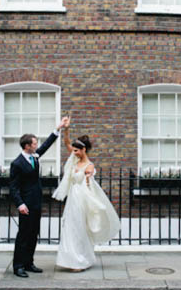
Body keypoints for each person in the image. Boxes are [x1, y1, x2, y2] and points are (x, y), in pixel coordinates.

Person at [52, 120, 120, 272]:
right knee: (70, 227)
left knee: (80, 229)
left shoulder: (89, 165)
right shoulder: (75, 158)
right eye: (74, 150)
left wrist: (89, 177)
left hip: (82, 198)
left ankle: (81, 261)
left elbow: (89, 181)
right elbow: (67, 142)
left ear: (83, 150)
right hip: (73, 198)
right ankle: (69, 259)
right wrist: (67, 128)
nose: (73, 152)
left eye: (76, 151)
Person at [10, 116, 69, 278]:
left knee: (33, 234)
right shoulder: (17, 163)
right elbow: (13, 187)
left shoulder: (34, 156)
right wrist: (20, 204)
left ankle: (29, 263)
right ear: (27, 146)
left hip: (36, 203)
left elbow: (46, 146)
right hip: (26, 205)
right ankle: (18, 266)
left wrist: (58, 129)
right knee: (23, 235)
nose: (37, 145)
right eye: (34, 143)